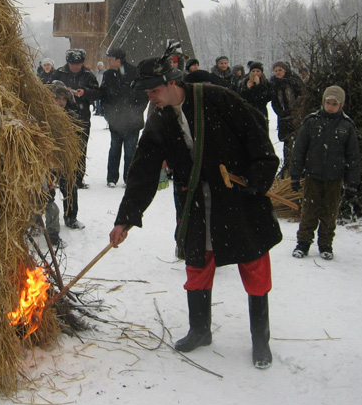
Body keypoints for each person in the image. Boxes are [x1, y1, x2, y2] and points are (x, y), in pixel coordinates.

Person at [109, 51, 281, 369]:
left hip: (238, 198)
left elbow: (256, 134)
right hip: (197, 203)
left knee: (254, 267)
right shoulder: (160, 119)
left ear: (172, 83)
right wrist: (126, 218)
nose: (151, 99)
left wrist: (259, 175)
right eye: (147, 94)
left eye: (154, 92)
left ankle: (261, 340)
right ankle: (200, 330)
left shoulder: (217, 98)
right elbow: (144, 168)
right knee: (198, 266)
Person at [289, 86, 360, 260]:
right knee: (309, 211)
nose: (330, 106)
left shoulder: (346, 126)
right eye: (328, 102)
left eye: (334, 104)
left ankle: (326, 244)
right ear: (323, 102)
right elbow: (299, 150)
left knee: (330, 213)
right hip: (313, 175)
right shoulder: (311, 122)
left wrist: (352, 183)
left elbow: (353, 156)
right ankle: (303, 243)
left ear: (341, 105)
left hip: (334, 178)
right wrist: (295, 175)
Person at [51, 48, 100, 189]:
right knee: (59, 147)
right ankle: (58, 177)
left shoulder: (88, 75)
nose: (75, 67)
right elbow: (48, 89)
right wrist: (62, 92)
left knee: (80, 149)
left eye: (78, 64)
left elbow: (97, 93)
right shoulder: (59, 73)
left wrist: (85, 92)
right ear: (68, 63)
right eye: (72, 64)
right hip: (61, 117)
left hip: (81, 117)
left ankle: (77, 178)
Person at [100, 48, 148, 187]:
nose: (108, 62)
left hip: (132, 121)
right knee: (114, 150)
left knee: (131, 152)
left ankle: (130, 178)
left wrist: (136, 112)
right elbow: (103, 95)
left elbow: (143, 96)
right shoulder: (108, 75)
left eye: (110, 59)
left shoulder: (135, 73)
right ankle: (111, 178)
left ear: (118, 60)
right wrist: (108, 113)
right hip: (115, 120)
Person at [48, 81, 84, 229]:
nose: (60, 102)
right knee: (46, 191)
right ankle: (46, 222)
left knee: (69, 187)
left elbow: (79, 137)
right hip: (49, 159)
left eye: (63, 98)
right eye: (57, 98)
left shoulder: (72, 116)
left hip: (66, 159)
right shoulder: (45, 115)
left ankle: (71, 217)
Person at [270, 61, 304, 177]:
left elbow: (302, 96)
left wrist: (297, 112)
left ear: (285, 70)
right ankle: (287, 167)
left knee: (300, 141)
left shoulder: (294, 81)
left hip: (297, 115)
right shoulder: (274, 84)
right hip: (283, 118)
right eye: (276, 71)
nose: (278, 73)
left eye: (280, 70)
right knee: (286, 142)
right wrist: (281, 113)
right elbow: (274, 102)